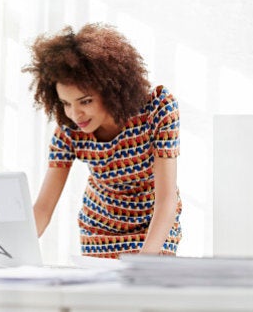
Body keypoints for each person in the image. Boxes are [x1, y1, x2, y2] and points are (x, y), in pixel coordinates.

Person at [23, 23, 182, 258]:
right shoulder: (70, 129)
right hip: (99, 230)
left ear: (110, 89)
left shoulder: (158, 108)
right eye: (66, 103)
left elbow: (166, 200)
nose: (75, 114)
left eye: (85, 101)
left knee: (144, 292)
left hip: (154, 224)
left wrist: (144, 262)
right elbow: (43, 209)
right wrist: (8, 251)